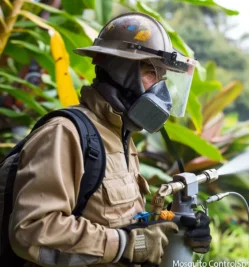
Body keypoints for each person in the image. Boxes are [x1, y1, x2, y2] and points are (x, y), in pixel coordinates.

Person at [8, 12, 211, 266]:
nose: (160, 89)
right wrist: (127, 244)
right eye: (151, 72)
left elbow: (123, 222)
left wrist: (173, 225)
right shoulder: (65, 133)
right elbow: (33, 231)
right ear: (121, 70)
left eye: (163, 78)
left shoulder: (120, 137)